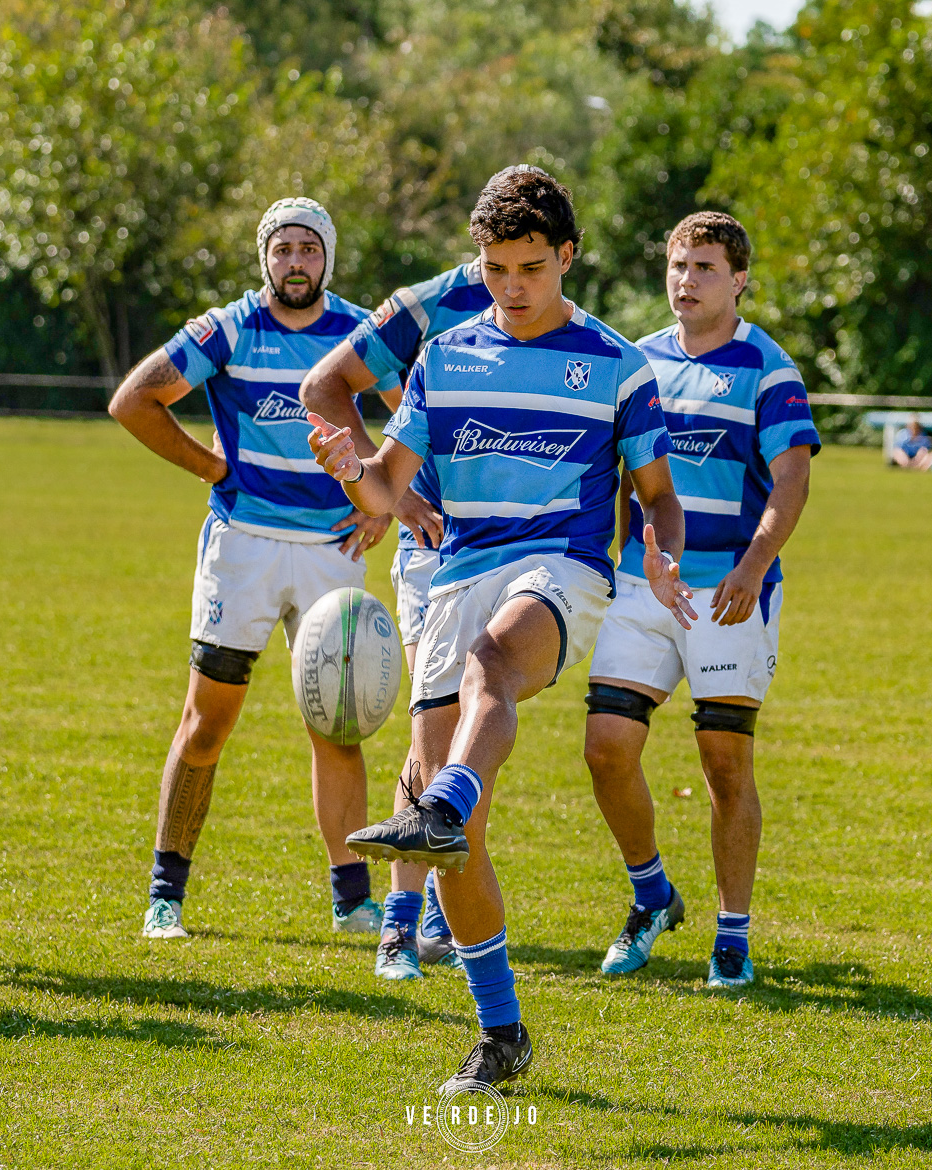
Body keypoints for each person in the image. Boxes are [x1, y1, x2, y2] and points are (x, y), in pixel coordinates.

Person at [308, 167, 695, 1090]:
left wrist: (663, 552)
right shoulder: (445, 358)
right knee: (458, 841)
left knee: (492, 673)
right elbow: (389, 488)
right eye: (494, 269)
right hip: (457, 575)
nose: (511, 287)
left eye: (529, 266)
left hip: (562, 568)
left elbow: (659, 496)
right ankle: (503, 1033)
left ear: (566, 257)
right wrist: (343, 463)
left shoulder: (616, 365)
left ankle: (440, 801)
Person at [109, 198, 397, 942]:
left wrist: (383, 502)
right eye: (282, 249)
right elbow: (134, 400)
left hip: (335, 549)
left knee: (338, 724)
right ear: (264, 258)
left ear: (327, 258)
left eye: (308, 248)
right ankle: (165, 897)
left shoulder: (361, 335)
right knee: (207, 722)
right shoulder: (229, 327)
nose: (294, 261)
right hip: (244, 547)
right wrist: (211, 464)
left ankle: (351, 900)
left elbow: (413, 419)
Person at [582, 212, 817, 990]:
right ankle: (651, 897)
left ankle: (733, 938)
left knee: (723, 763)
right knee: (606, 747)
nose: (687, 280)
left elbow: (792, 481)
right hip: (648, 585)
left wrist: (754, 565)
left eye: (706, 267)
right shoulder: (637, 362)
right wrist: (619, 562)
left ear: (741, 278)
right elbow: (621, 476)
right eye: (678, 265)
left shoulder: (769, 368)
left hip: (730, 591)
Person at [299, 218, 514, 981]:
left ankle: (429, 921)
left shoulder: (545, 310)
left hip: (515, 557)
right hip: (434, 556)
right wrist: (389, 493)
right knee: (434, 732)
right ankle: (402, 928)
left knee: (466, 735)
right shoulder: (426, 306)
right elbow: (322, 385)